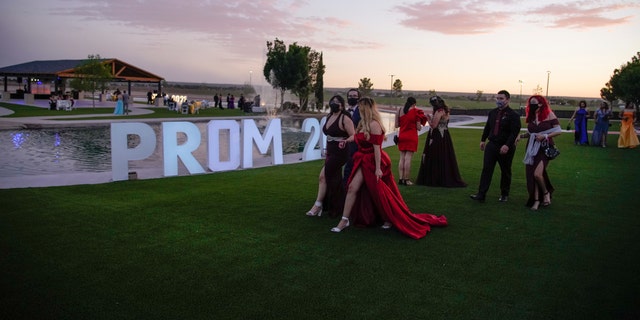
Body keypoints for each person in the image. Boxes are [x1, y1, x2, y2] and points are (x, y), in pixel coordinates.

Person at [330, 97, 447, 239]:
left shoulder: (375, 124)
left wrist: (378, 168)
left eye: (360, 107)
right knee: (353, 187)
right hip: (362, 159)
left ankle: (388, 218)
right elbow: (357, 137)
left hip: (374, 161)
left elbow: (377, 148)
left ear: (366, 108)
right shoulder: (362, 123)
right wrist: (346, 141)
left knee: (379, 193)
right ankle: (344, 220)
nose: (358, 110)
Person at [305, 95, 355, 218]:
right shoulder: (329, 116)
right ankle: (336, 206)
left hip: (341, 151)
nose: (334, 103)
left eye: (337, 102)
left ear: (342, 105)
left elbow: (353, 135)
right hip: (330, 150)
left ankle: (318, 205)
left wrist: (346, 141)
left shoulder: (345, 118)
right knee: (335, 178)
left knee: (323, 176)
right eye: (332, 101)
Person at [470, 90, 521, 203]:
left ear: (508, 100)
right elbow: (488, 127)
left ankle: (504, 194)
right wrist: (483, 140)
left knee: (505, 171)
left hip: (505, 147)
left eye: (501, 99)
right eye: (497, 98)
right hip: (492, 145)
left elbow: (514, 133)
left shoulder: (514, 115)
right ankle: (481, 194)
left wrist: (507, 145)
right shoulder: (492, 113)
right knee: (486, 170)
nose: (499, 101)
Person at [518, 95, 562, 210]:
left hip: (544, 148)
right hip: (532, 148)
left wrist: (545, 136)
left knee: (538, 174)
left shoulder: (549, 114)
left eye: (535, 103)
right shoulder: (532, 116)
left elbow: (558, 130)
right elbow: (531, 132)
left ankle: (546, 193)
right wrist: (521, 136)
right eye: (530, 103)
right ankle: (536, 200)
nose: (532, 105)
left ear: (541, 104)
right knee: (533, 175)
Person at [416, 96, 467, 188]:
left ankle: (435, 178)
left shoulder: (439, 112)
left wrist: (428, 118)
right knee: (444, 155)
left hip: (437, 136)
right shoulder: (446, 111)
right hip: (445, 135)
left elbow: (433, 125)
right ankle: (443, 176)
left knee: (435, 155)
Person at [395, 97, 427, 185]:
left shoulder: (399, 110)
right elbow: (418, 128)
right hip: (411, 136)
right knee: (408, 158)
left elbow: (397, 125)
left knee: (402, 158)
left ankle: (401, 179)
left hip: (402, 136)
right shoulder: (416, 112)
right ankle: (407, 179)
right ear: (414, 104)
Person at [342, 88, 361, 187]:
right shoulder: (343, 112)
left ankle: (347, 188)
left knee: (350, 169)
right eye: (350, 96)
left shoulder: (362, 111)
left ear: (358, 98)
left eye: (354, 96)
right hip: (344, 145)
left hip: (357, 146)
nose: (352, 98)